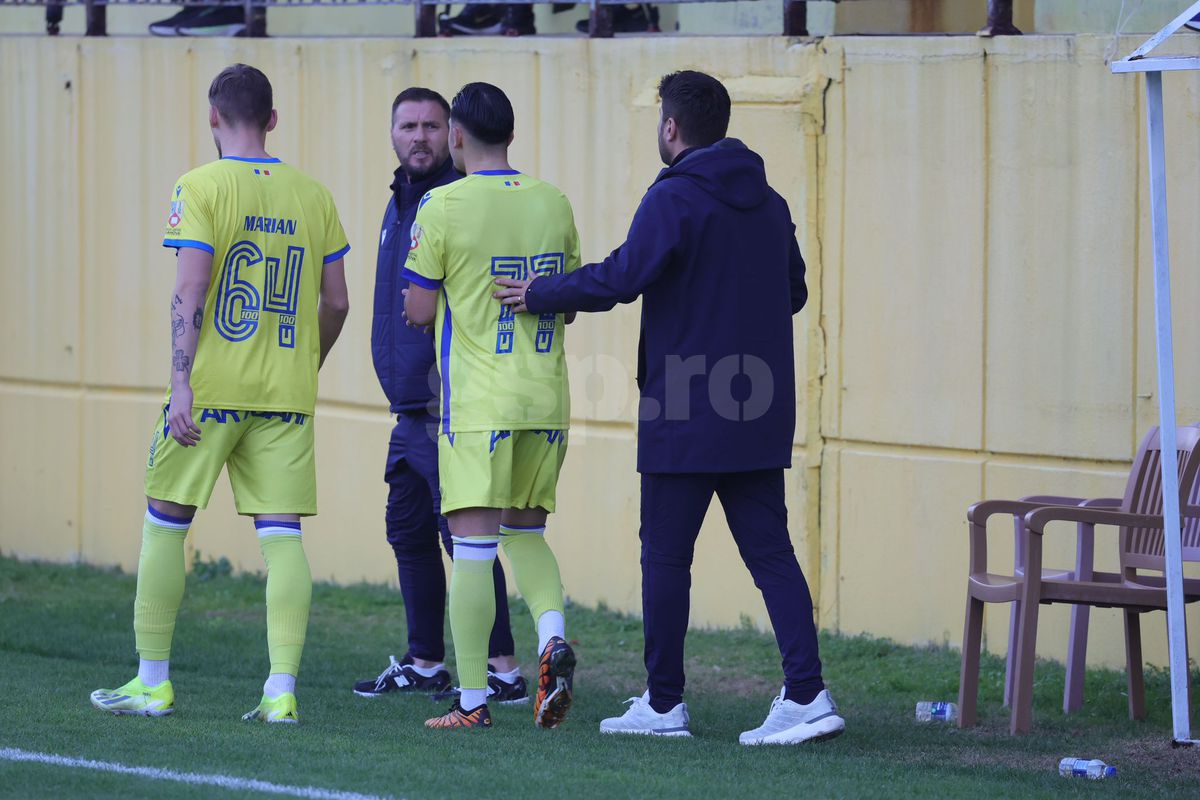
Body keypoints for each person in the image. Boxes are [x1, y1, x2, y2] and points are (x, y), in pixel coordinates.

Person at [493, 70, 845, 744]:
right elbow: (793, 293)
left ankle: (663, 705)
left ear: (672, 127)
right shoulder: (770, 203)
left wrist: (542, 294)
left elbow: (624, 277)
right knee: (772, 553)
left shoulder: (674, 197)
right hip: (759, 405)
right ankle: (807, 694)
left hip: (686, 405)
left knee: (665, 557)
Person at [89, 64, 351, 725]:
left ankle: (153, 683)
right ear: (272, 119)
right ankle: (280, 691)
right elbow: (338, 301)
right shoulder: (314, 194)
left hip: (210, 391)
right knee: (283, 537)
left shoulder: (198, 185)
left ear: (213, 117)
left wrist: (180, 382)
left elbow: (191, 289)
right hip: (286, 392)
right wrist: (304, 361)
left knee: (165, 522)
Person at [403, 82, 579, 730]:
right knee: (527, 533)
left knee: (472, 549)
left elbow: (419, 307)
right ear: (511, 133)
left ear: (455, 137)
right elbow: (564, 293)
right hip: (546, 397)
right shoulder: (553, 201)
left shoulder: (442, 204)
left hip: (478, 404)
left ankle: (473, 701)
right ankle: (551, 636)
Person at [354, 86, 525, 703]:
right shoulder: (397, 202)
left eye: (431, 126)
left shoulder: (457, 201)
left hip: (448, 400)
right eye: (408, 126)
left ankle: (503, 669)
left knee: (466, 538)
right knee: (407, 529)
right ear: (392, 133)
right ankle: (425, 660)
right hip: (407, 405)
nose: (419, 137)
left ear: (452, 134)